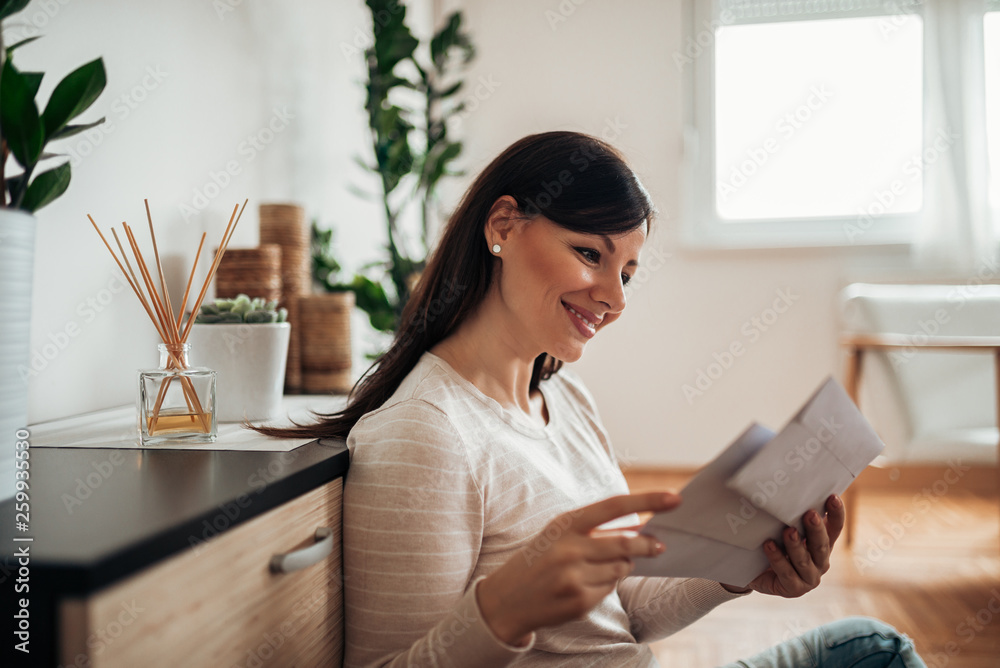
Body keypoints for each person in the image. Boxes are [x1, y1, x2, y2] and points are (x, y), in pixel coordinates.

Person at [258, 132, 928, 667]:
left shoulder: (565, 400)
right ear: (503, 226)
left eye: (628, 272)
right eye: (589, 254)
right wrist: (502, 614)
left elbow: (627, 611)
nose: (614, 298)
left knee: (872, 646)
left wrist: (737, 573)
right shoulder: (425, 434)